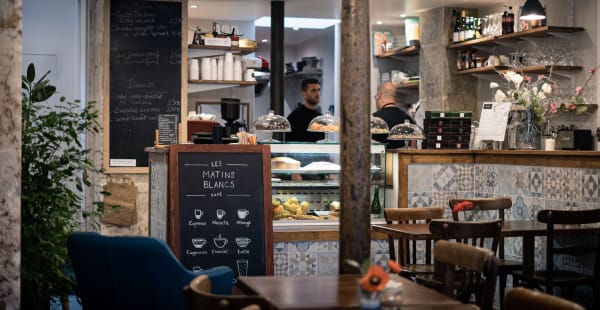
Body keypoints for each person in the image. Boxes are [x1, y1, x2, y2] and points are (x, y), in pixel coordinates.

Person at [372, 82, 415, 149]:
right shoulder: (408, 119)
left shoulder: (374, 120)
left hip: (382, 158)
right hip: (404, 159)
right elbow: (413, 148)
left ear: (379, 95)